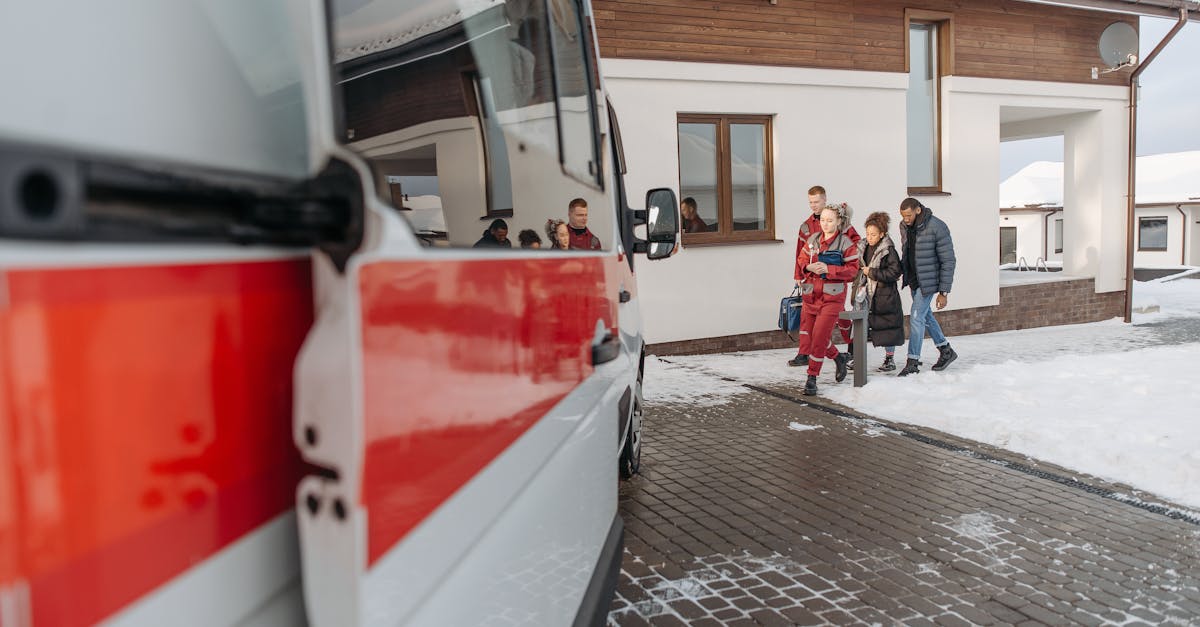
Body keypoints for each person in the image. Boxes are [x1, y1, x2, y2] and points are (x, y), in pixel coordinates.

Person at [789, 186, 859, 367]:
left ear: (825, 200)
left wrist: (835, 265)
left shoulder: (840, 222)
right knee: (807, 319)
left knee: (840, 316)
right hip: (812, 282)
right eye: (810, 202)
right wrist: (799, 273)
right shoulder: (806, 226)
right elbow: (800, 253)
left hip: (834, 284)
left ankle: (851, 346)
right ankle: (805, 352)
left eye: (816, 202)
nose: (813, 205)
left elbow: (856, 247)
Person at [897, 198, 957, 376]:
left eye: (908, 215)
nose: (905, 219)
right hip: (915, 280)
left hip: (929, 282)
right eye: (903, 216)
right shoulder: (904, 226)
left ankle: (912, 362)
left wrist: (943, 292)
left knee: (916, 317)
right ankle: (946, 350)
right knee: (925, 316)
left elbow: (948, 260)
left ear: (917, 210)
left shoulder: (937, 226)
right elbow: (907, 252)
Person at [851, 211, 905, 372]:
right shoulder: (862, 247)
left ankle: (889, 358)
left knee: (888, 326)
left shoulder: (888, 250)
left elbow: (895, 272)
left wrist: (872, 272)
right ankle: (857, 358)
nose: (869, 237)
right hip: (864, 293)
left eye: (873, 234)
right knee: (860, 324)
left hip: (884, 295)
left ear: (882, 234)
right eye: (867, 233)